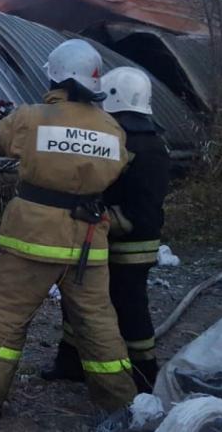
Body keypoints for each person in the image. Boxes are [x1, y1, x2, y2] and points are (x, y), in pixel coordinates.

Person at [0, 39, 138, 418]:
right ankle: (122, 404)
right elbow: (116, 169)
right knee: (98, 323)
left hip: (32, 239)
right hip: (88, 242)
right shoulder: (112, 128)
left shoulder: (30, 117)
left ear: (56, 76)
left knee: (7, 317)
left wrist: (0, 117)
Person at [42, 66, 171, 393]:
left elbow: (132, 204)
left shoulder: (130, 142)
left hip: (126, 242)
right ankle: (71, 363)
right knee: (78, 299)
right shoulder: (151, 139)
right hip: (117, 238)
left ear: (113, 98)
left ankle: (144, 374)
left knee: (129, 308)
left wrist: (98, 215)